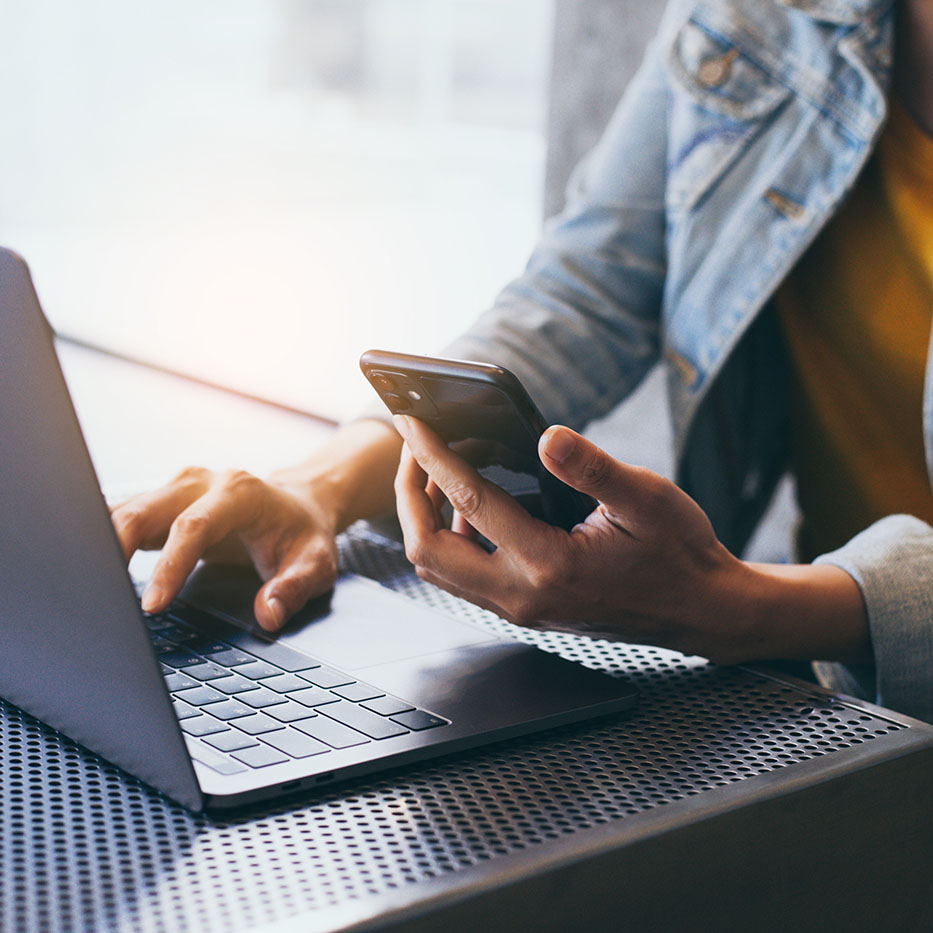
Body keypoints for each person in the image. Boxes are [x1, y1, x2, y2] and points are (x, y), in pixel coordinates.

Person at [112, 0, 933, 724]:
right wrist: (320, 483)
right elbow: (588, 289)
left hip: (839, 638)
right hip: (845, 671)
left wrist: (726, 605)